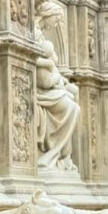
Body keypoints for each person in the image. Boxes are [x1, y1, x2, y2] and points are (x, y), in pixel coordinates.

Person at [35, 39, 79, 170]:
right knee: (73, 107)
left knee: (73, 96)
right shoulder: (43, 65)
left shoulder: (48, 64)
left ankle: (63, 155)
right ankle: (54, 153)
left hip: (51, 93)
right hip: (43, 95)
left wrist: (59, 79)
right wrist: (57, 77)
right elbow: (46, 83)